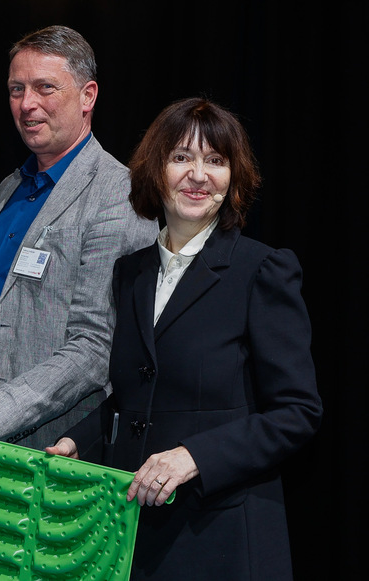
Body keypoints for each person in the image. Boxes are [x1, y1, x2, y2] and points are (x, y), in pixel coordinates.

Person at [46, 97, 323, 579]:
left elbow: (297, 413)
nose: (198, 174)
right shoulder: (130, 273)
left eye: (216, 161)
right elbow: (131, 398)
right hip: (134, 534)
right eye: (181, 158)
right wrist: (77, 440)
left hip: (223, 538)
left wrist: (196, 456)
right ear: (156, 170)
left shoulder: (262, 270)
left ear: (233, 178)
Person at [0, 25, 158, 460]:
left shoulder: (120, 195)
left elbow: (95, 348)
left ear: (88, 96)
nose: (26, 104)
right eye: (16, 89)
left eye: (44, 88)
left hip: (51, 450)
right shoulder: (10, 187)